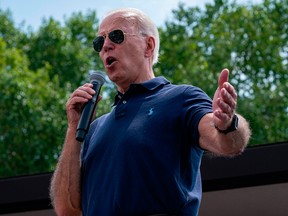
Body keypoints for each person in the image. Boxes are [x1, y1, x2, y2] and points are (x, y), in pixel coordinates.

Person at [50, 7, 251, 216]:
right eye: (99, 43)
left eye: (116, 36)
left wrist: (228, 123)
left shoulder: (180, 98)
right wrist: (73, 128)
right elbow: (68, 209)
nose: (106, 46)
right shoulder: (94, 128)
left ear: (148, 45)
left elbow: (227, 144)